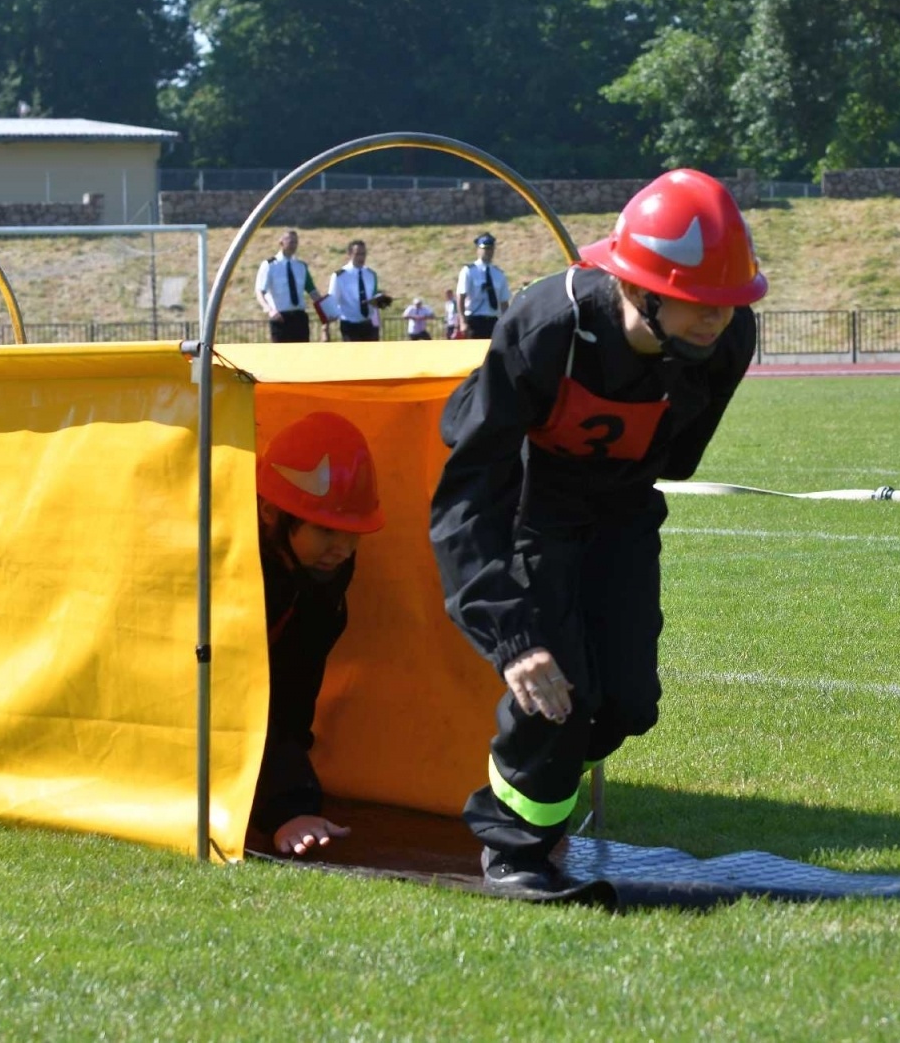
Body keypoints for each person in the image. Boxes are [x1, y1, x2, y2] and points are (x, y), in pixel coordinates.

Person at [429, 168, 767, 893]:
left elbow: (674, 459)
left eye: (728, 303)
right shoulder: (546, 329)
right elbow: (467, 498)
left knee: (625, 704)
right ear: (639, 288)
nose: (717, 318)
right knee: (557, 694)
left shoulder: (728, 340)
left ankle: (544, 801)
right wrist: (513, 638)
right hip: (528, 506)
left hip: (619, 509)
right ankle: (514, 847)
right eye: (698, 303)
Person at [252, 411, 385, 857]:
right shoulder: (236, 566)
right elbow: (236, 698)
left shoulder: (326, 571)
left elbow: (293, 691)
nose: (343, 549)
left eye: (354, 534)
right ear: (270, 512)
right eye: (327, 529)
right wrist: (288, 806)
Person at [255, 230, 325, 344]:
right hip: (280, 317)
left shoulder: (301, 266)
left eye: (296, 242)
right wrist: (269, 310)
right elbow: (260, 291)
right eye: (291, 241)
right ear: (281, 242)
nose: (294, 245)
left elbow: (313, 292)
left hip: (299, 318)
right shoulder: (270, 265)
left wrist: (326, 311)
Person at [326, 239, 392, 342]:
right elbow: (332, 300)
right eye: (358, 254)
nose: (361, 257)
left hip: (369, 324)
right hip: (349, 324)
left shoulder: (371, 274)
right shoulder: (339, 276)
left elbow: (373, 296)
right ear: (350, 254)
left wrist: (380, 301)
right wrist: (326, 327)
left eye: (364, 254)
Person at [456, 232, 511, 340]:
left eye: (490, 249)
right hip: (474, 320)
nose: (488, 252)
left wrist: (506, 323)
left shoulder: (499, 274)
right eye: (484, 249)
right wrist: (462, 322)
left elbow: (504, 302)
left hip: (493, 321)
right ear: (478, 249)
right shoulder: (469, 271)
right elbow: (460, 296)